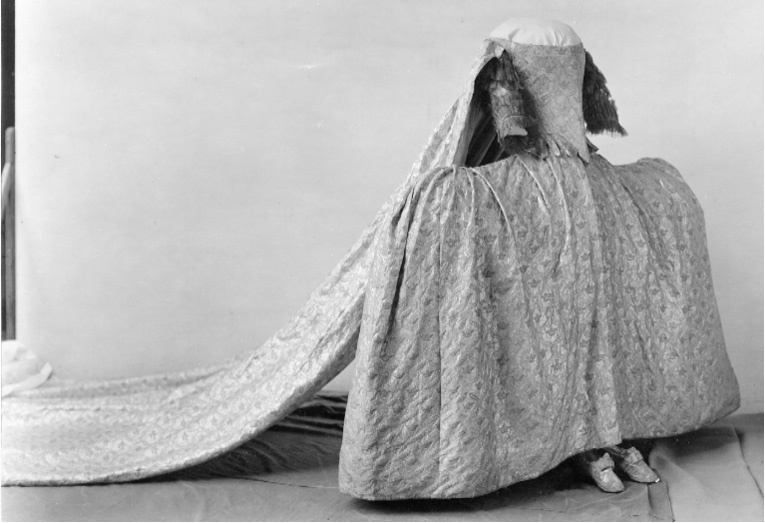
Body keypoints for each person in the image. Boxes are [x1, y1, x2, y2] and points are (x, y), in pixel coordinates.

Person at [2, 19, 739, 501]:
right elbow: (504, 120)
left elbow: (578, 117)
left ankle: (610, 432)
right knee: (548, 306)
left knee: (606, 293)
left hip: (584, 178)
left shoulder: (573, 85)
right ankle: (579, 439)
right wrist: (503, 173)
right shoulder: (504, 68)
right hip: (537, 178)